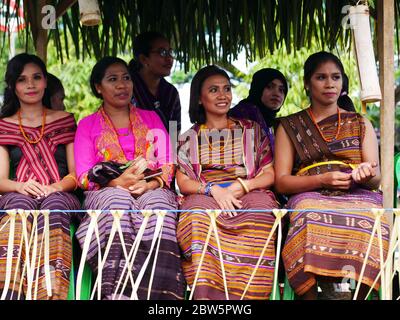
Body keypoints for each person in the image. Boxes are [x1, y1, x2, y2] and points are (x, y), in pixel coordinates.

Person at [274, 51, 389, 300]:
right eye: (321, 77)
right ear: (307, 83)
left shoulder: (360, 122)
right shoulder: (289, 125)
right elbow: (281, 181)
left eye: (336, 77)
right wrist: (321, 180)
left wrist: (364, 175)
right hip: (309, 193)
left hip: (356, 194)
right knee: (308, 212)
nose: (330, 84)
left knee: (373, 215)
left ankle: (356, 295)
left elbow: (376, 178)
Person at [74, 56, 185, 300]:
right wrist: (116, 183)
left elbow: (168, 161)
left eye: (126, 78)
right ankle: (117, 294)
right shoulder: (87, 124)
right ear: (98, 87)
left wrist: (150, 184)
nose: (122, 85)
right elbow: (83, 175)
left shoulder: (151, 118)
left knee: (157, 208)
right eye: (113, 79)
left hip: (151, 186)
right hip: (105, 191)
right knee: (117, 204)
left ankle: (160, 297)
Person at [176, 65, 278, 300]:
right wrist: (212, 190)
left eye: (226, 89)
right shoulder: (189, 137)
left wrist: (241, 186)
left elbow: (269, 174)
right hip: (205, 194)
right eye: (213, 90)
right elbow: (183, 181)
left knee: (262, 212)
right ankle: (208, 298)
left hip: (248, 190)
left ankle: (251, 296)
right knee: (197, 215)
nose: (223, 95)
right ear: (200, 99)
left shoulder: (250, 130)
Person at [0, 53, 80, 300]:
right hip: (18, 194)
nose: (31, 85)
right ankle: (9, 293)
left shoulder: (65, 120)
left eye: (37, 78)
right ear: (13, 86)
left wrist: (55, 187)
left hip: (60, 195)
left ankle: (52, 294)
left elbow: (77, 175)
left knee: (53, 207)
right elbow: (1, 181)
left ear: (46, 81)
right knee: (18, 207)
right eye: (22, 80)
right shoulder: (4, 125)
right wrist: (21, 186)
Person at [128, 31, 181, 133]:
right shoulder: (127, 90)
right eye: (162, 53)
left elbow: (174, 136)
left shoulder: (171, 93)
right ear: (144, 59)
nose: (169, 58)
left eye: (170, 52)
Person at [230, 68, 288, 153]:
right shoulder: (242, 114)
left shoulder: (272, 123)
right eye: (269, 87)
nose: (277, 93)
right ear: (258, 88)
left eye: (281, 90)